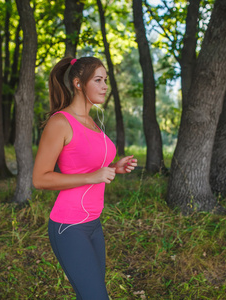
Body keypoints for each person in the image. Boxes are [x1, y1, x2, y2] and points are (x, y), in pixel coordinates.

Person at [32, 56, 137, 300]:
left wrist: (114, 168)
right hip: (69, 227)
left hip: (93, 224)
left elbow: (85, 165)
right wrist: (93, 177)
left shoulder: (92, 122)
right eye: (98, 80)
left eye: (106, 81)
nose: (104, 86)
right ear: (79, 84)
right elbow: (40, 179)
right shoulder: (60, 122)